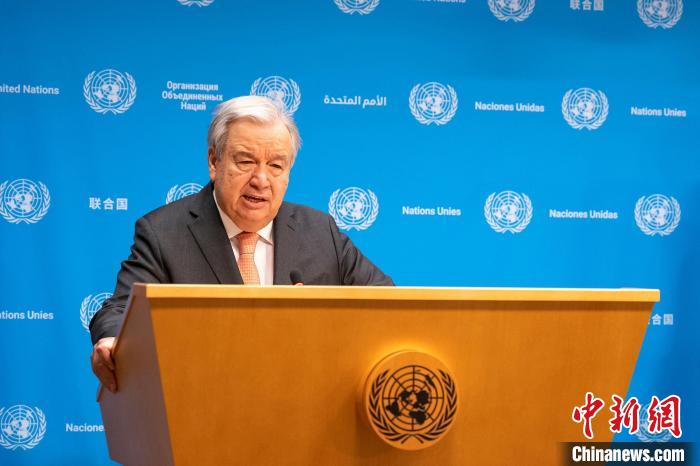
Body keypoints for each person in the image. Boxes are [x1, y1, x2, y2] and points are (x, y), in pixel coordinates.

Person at [89, 96, 393, 392]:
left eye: (276, 165)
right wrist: (112, 340)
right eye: (246, 161)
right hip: (204, 402)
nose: (261, 179)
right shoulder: (163, 233)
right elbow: (119, 310)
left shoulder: (320, 231)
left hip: (303, 403)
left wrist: (322, 322)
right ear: (214, 161)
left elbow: (388, 304)